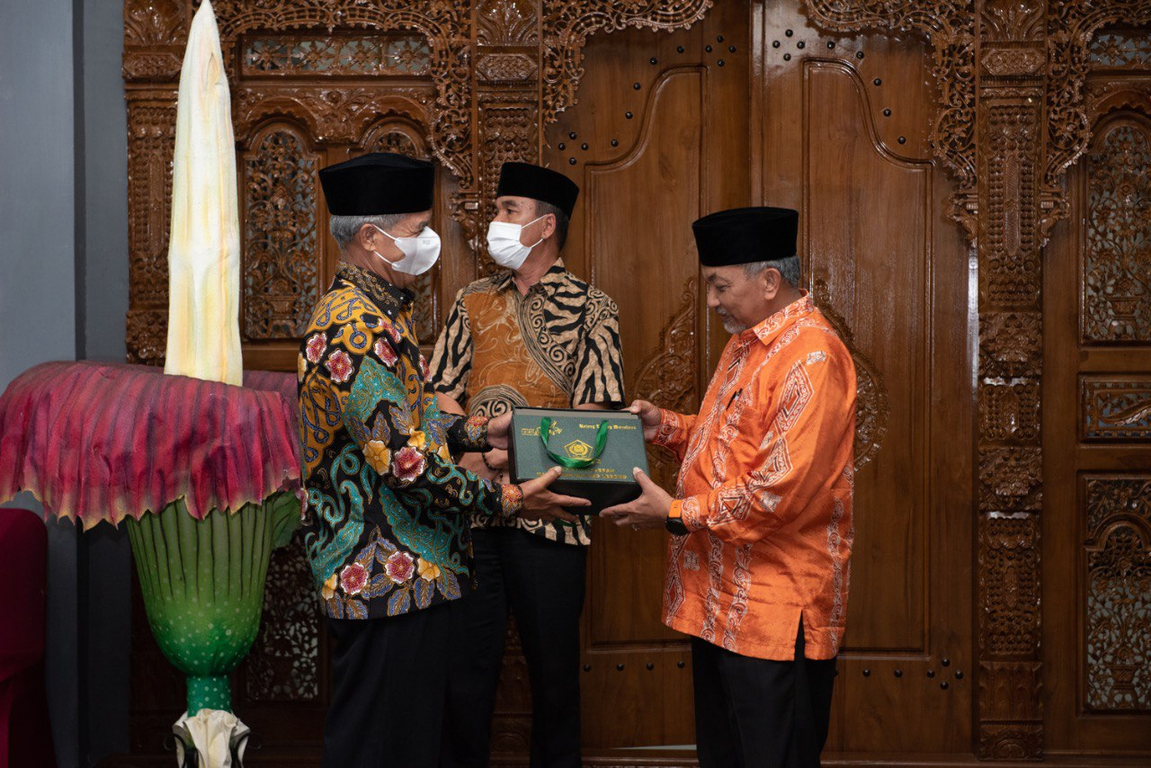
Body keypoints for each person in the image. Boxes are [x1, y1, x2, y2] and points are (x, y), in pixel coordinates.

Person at [297, 152, 589, 768]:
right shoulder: (355, 328)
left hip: (406, 575)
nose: (428, 242)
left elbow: (415, 421)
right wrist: (509, 498)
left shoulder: (378, 314)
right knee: (379, 746)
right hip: (383, 574)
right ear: (372, 239)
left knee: (407, 742)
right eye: (416, 230)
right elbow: (403, 461)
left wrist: (480, 433)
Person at [602, 207, 856, 768]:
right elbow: (729, 445)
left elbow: (774, 491)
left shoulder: (813, 357)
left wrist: (673, 513)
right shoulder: (747, 343)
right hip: (717, 603)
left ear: (769, 281)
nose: (712, 301)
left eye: (720, 286)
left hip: (773, 614)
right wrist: (663, 426)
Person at [431, 161, 626, 768]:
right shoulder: (471, 299)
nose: (495, 221)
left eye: (508, 210)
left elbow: (593, 418)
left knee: (555, 679)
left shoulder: (596, 308)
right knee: (465, 678)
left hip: (554, 515)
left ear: (544, 226)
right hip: (472, 516)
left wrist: (513, 459)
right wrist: (475, 459)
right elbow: (438, 390)